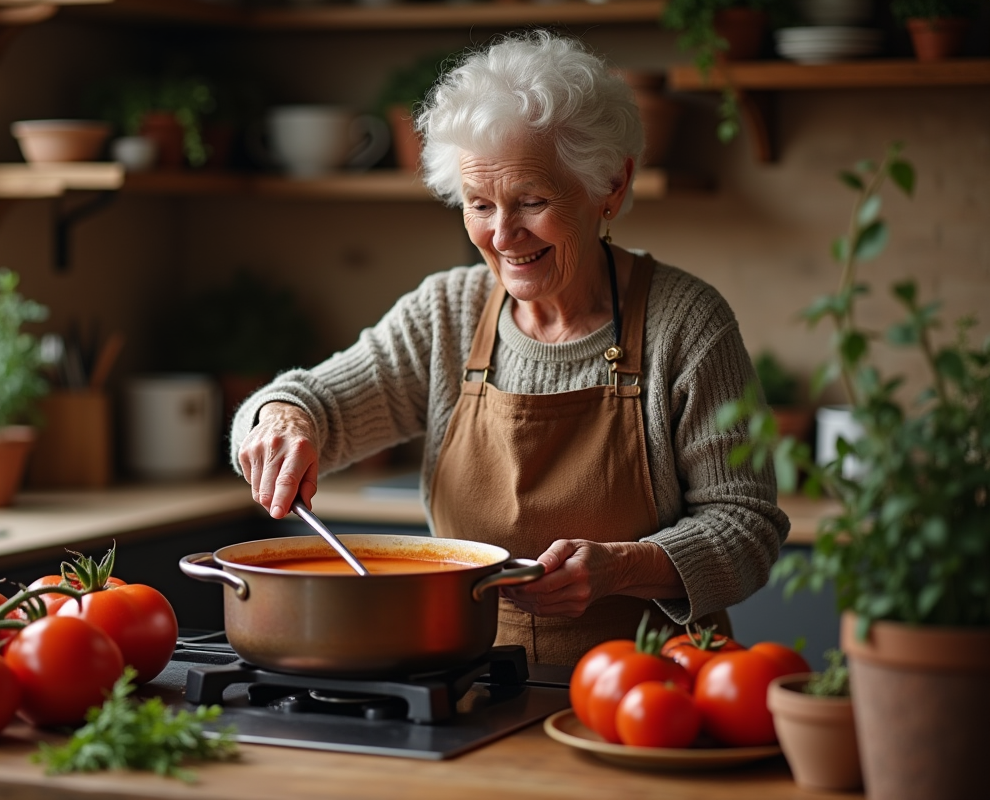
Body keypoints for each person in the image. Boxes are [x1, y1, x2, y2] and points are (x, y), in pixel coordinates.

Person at [232, 30, 789, 667]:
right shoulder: (447, 312)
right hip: (463, 678)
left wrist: (621, 568)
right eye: (479, 204)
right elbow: (314, 402)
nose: (502, 235)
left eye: (531, 201)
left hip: (644, 691)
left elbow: (747, 528)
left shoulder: (686, 324)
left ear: (609, 184)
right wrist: (280, 421)